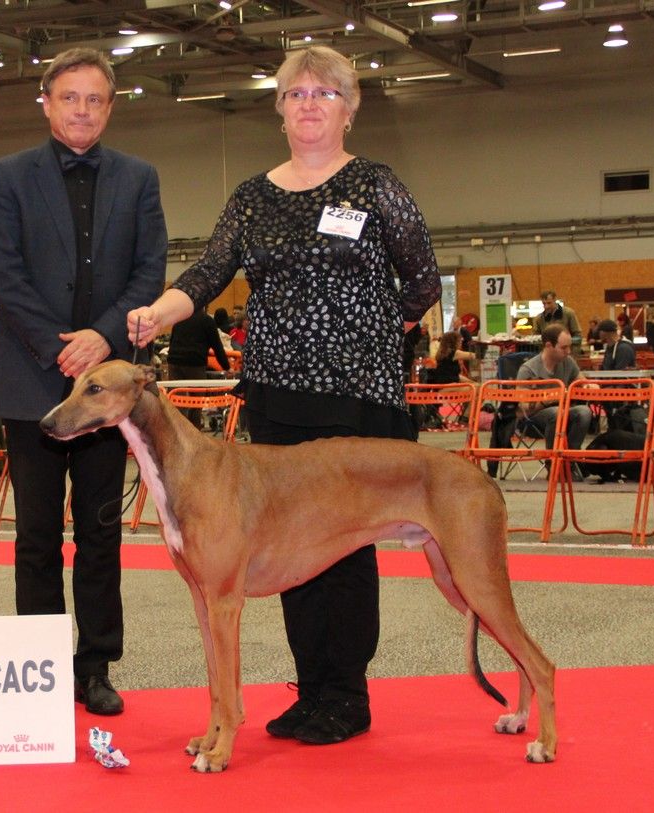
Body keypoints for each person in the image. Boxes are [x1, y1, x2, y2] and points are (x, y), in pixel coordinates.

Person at [127, 46, 441, 745]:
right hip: (276, 393)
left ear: (349, 109)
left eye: (324, 93)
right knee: (286, 544)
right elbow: (209, 272)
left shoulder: (375, 185)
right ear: (279, 110)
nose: (309, 103)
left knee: (348, 544)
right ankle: (311, 688)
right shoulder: (253, 195)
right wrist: (157, 312)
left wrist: (379, 331)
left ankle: (346, 693)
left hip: (359, 397)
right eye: (296, 93)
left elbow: (422, 278)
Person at [0, 47, 168, 717]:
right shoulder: (6, 176)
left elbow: (150, 273)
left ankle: (96, 667)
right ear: (47, 102)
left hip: (108, 386)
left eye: (95, 99)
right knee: (35, 536)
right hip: (31, 380)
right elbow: (2, 276)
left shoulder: (139, 177)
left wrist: (101, 340)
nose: (82, 109)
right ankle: (40, 669)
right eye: (70, 97)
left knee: (100, 533)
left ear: (110, 107)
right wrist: (60, 349)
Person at [517, 324, 591, 451]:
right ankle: (552, 460)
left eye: (569, 347)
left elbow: (582, 381)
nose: (568, 352)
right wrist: (549, 399)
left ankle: (570, 458)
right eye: (564, 348)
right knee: (557, 412)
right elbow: (523, 407)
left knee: (584, 412)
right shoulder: (528, 370)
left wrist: (589, 386)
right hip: (532, 420)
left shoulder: (568, 362)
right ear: (548, 346)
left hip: (563, 414)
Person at [166, 308, 231, 427]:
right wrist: (227, 367)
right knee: (197, 401)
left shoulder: (180, 318)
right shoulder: (207, 321)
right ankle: (194, 432)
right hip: (194, 363)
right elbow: (217, 347)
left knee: (176, 400)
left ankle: (176, 431)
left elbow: (172, 341)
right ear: (205, 307)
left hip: (174, 362)